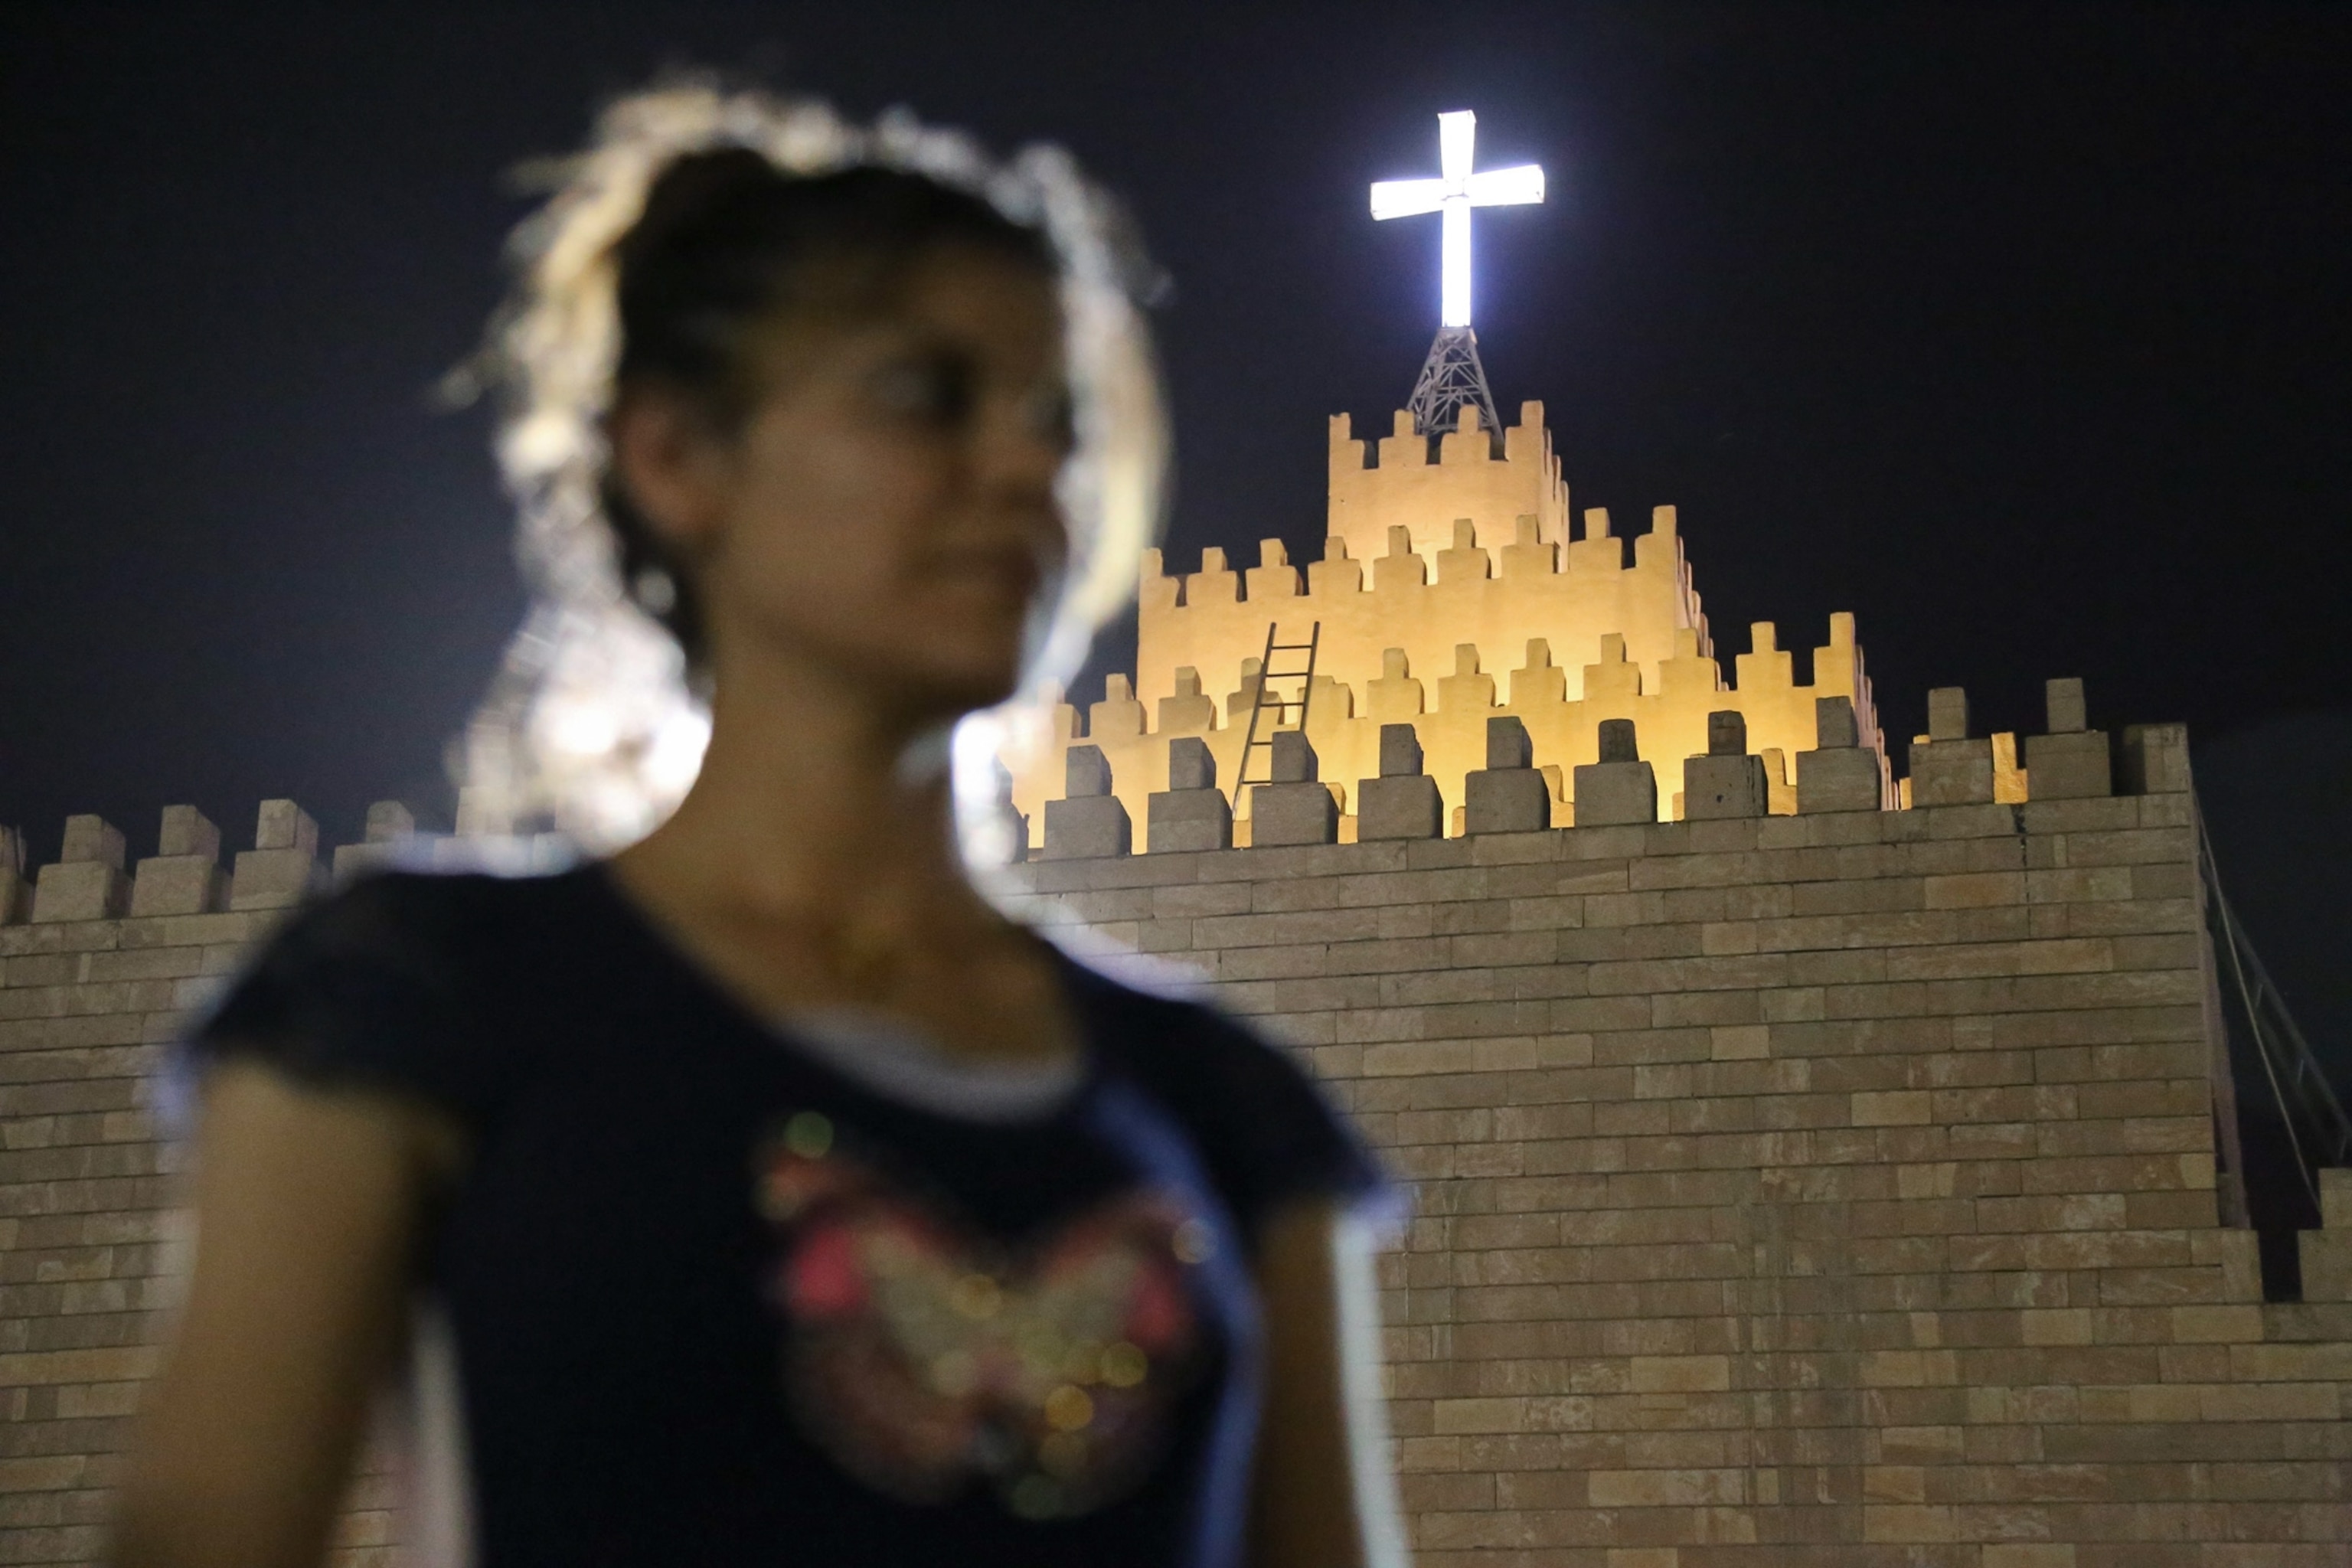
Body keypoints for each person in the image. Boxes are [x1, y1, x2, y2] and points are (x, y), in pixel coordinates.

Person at [112, 83, 1406, 1568]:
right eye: (924, 396)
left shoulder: (1221, 1107)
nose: (1023, 471)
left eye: (1057, 422)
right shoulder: (419, 1002)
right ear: (676, 458)